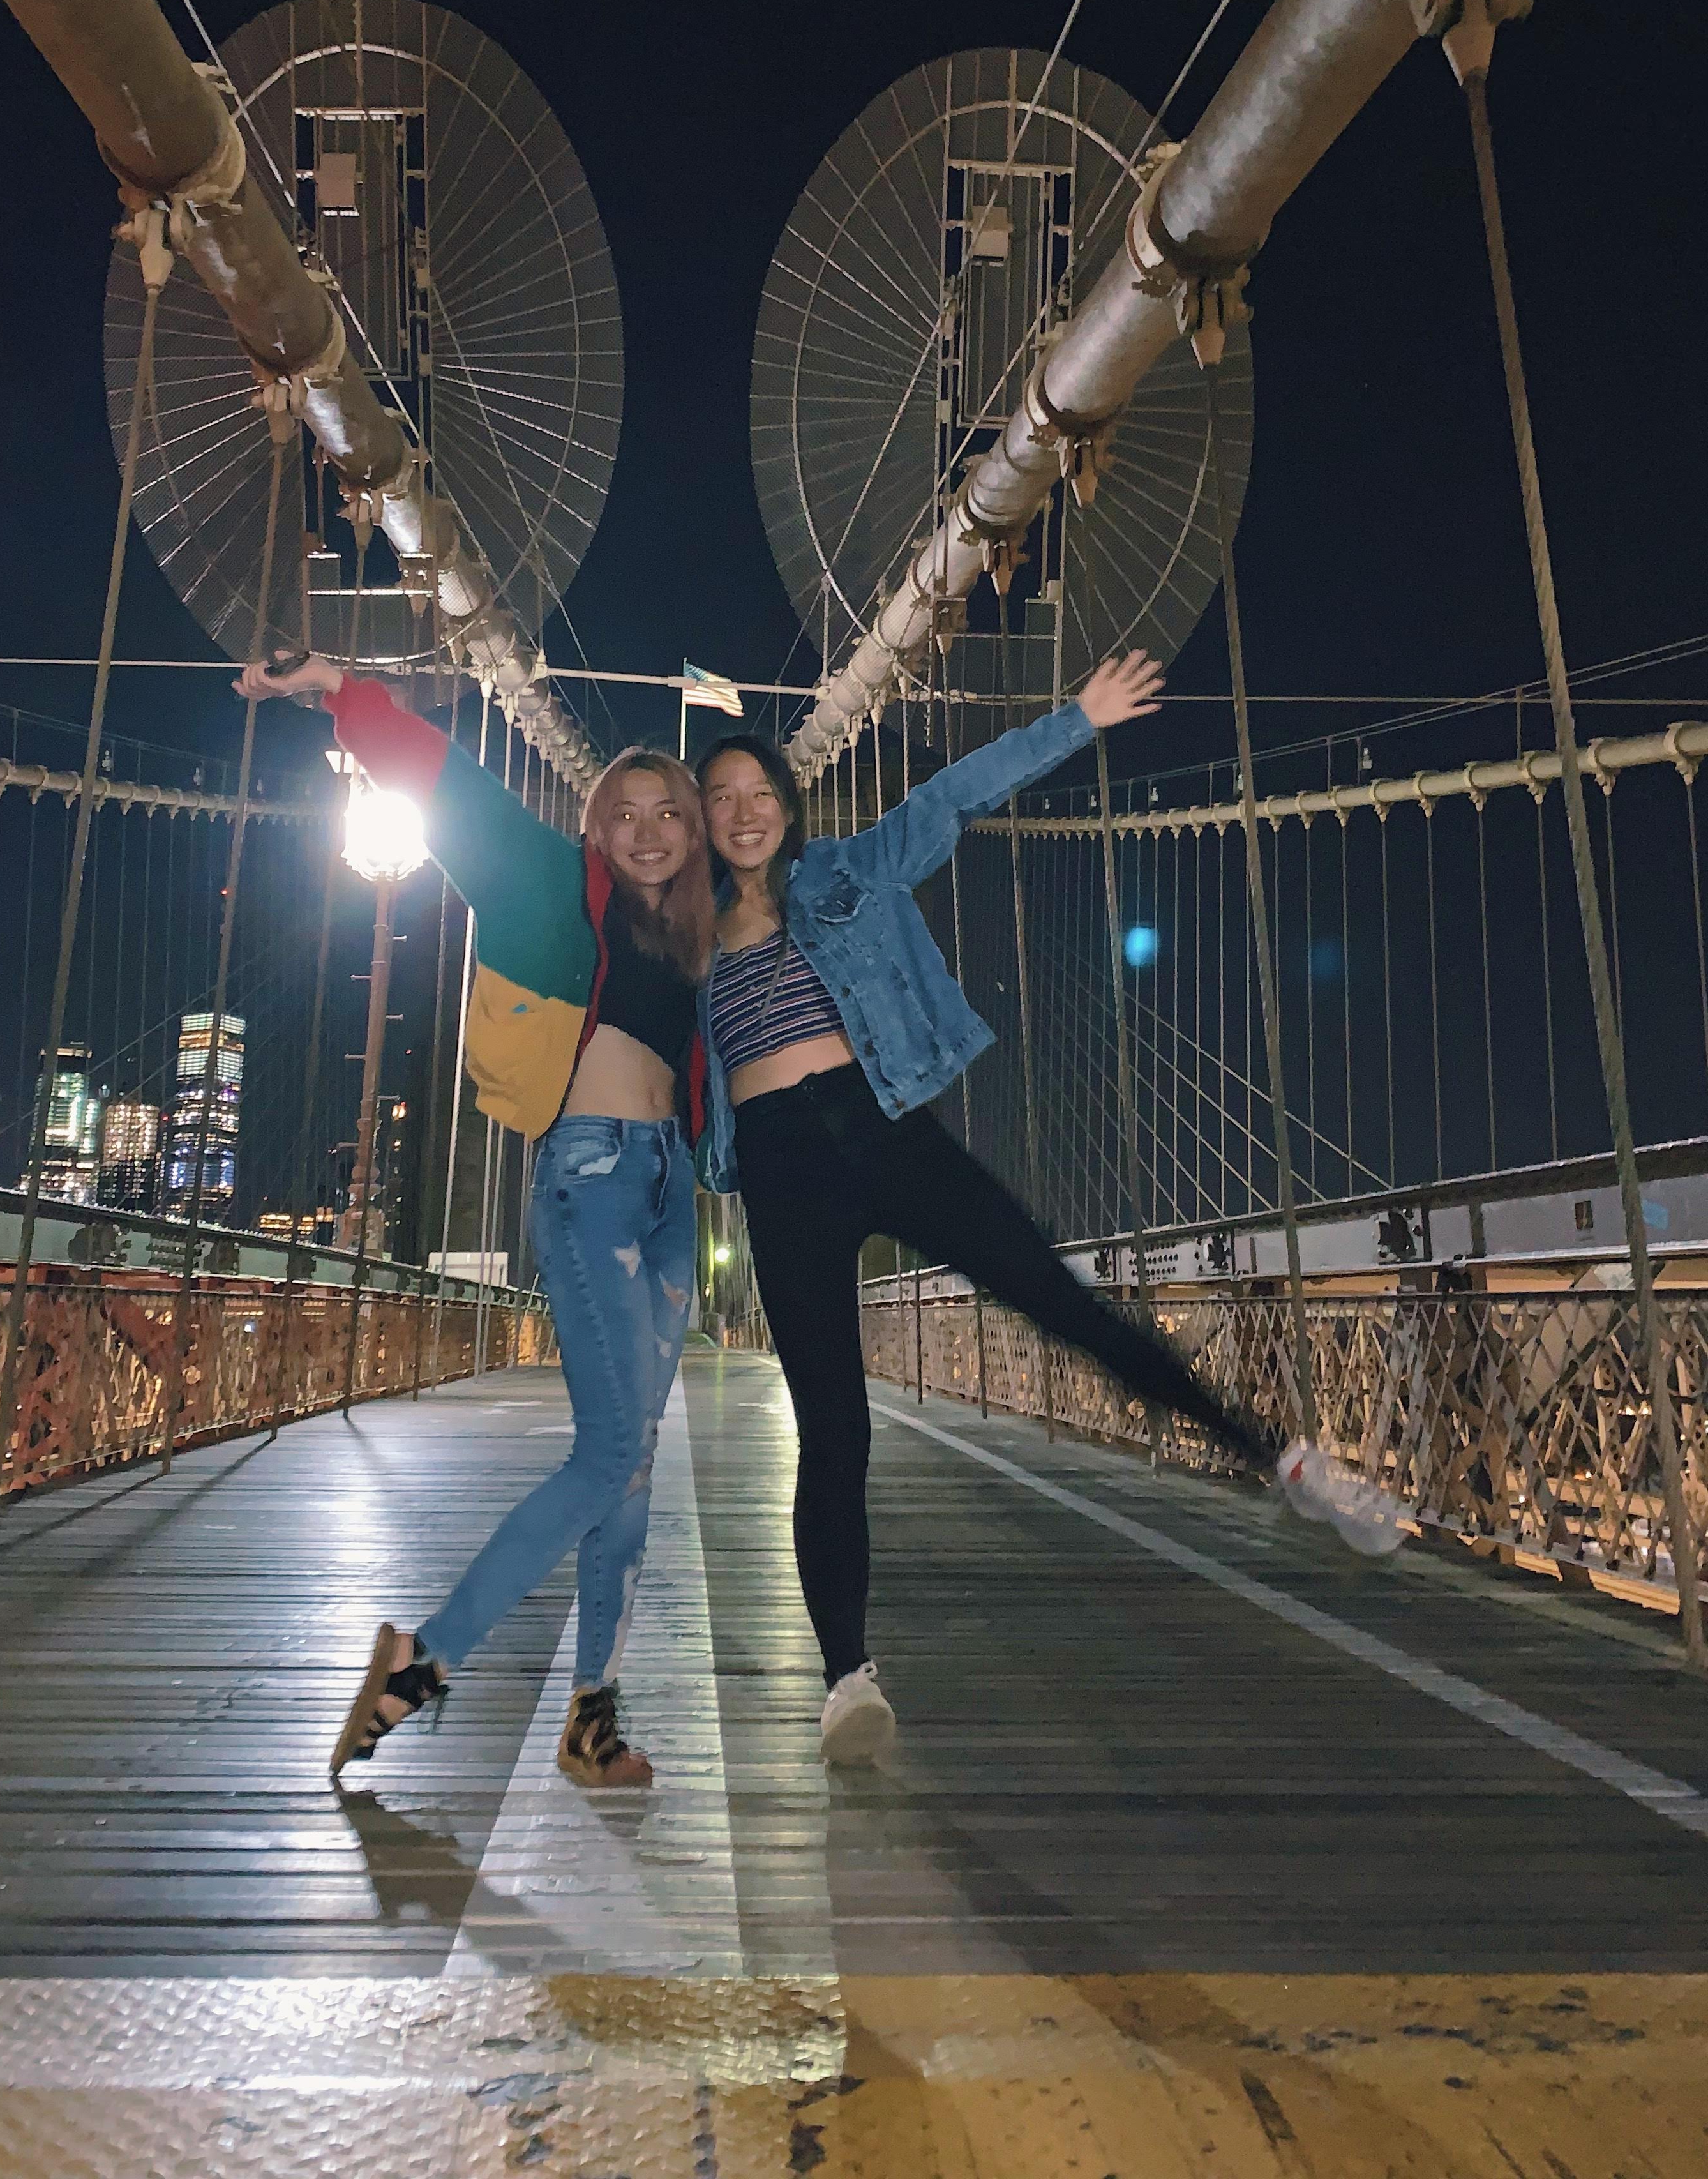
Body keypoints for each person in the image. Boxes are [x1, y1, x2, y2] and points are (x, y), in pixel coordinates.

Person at [694, 652, 1289, 1765]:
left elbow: (955, 796)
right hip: (780, 1179)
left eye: (758, 792)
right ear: (702, 820)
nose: (742, 813)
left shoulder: (852, 870)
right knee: (836, 1428)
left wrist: (1082, 716)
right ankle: (847, 1682)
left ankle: (1263, 1450)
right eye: (719, 799)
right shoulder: (683, 944)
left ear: (790, 803)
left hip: (882, 1132)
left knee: (1050, 1295)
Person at [236, 651, 713, 1788]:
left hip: (669, 1193)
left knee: (633, 1465)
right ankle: (423, 1657)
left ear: (697, 830)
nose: (647, 831)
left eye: (670, 814)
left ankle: (593, 1718)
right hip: (591, 1178)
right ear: (596, 826)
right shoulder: (554, 885)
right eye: (624, 813)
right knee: (607, 1453)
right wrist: (343, 694)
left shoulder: (707, 933)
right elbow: (450, 788)